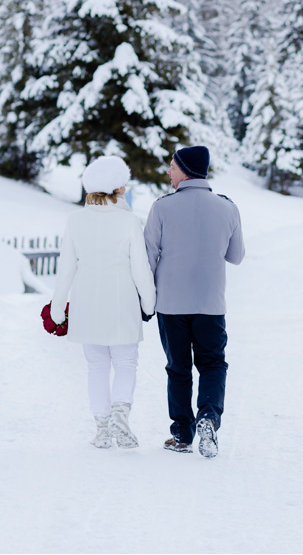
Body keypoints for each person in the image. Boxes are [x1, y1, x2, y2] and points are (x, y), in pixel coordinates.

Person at [144, 145, 245, 458]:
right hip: (211, 305)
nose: (169, 172)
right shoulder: (227, 208)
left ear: (185, 170)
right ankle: (209, 418)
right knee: (213, 364)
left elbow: (147, 256)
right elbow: (236, 256)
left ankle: (183, 434)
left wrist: (144, 300)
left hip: (171, 305)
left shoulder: (162, 207)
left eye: (172, 167)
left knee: (178, 369)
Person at [50, 155, 157, 449]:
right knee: (125, 363)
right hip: (122, 305)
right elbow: (141, 268)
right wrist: (149, 304)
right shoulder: (128, 221)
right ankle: (120, 420)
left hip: (86, 305)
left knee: (96, 367)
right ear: (118, 189)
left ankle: (101, 429)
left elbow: (65, 268)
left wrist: (57, 308)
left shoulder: (75, 220)